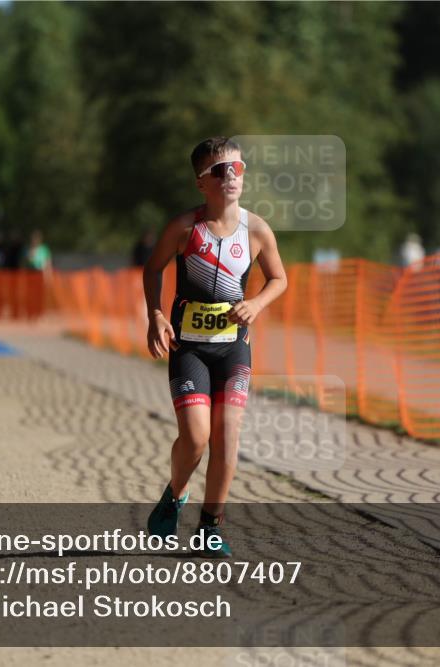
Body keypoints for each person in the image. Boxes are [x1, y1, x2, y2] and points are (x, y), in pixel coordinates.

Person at [142, 136, 287, 558]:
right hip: (189, 348)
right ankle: (175, 494)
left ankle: (210, 526)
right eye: (221, 170)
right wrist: (156, 315)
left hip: (233, 348)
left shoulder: (256, 229)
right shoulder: (184, 228)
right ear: (201, 182)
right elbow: (153, 269)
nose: (232, 177)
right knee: (196, 436)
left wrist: (256, 304)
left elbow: (279, 278)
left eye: (238, 169)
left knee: (227, 435)